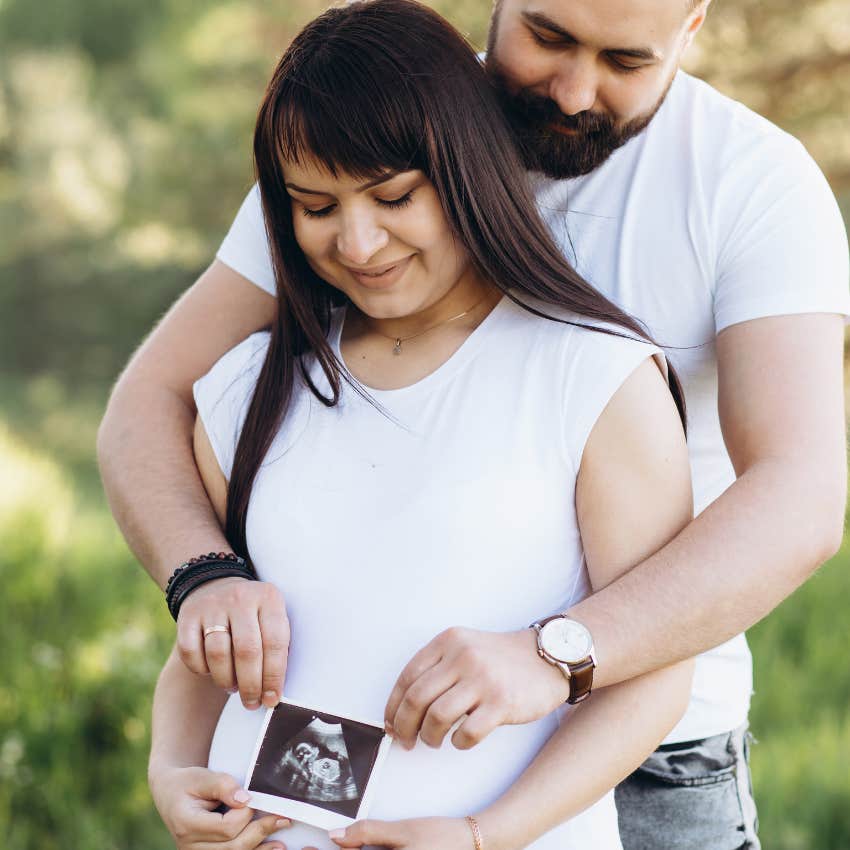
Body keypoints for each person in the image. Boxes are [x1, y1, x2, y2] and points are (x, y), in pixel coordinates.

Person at [98, 0, 849, 846]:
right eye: (549, 36)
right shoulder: (373, 125)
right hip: (342, 761)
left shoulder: (747, 187)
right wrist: (203, 576)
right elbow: (156, 402)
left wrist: (552, 656)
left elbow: (802, 496)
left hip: (655, 745)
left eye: (625, 62)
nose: (571, 92)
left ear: (694, 25)